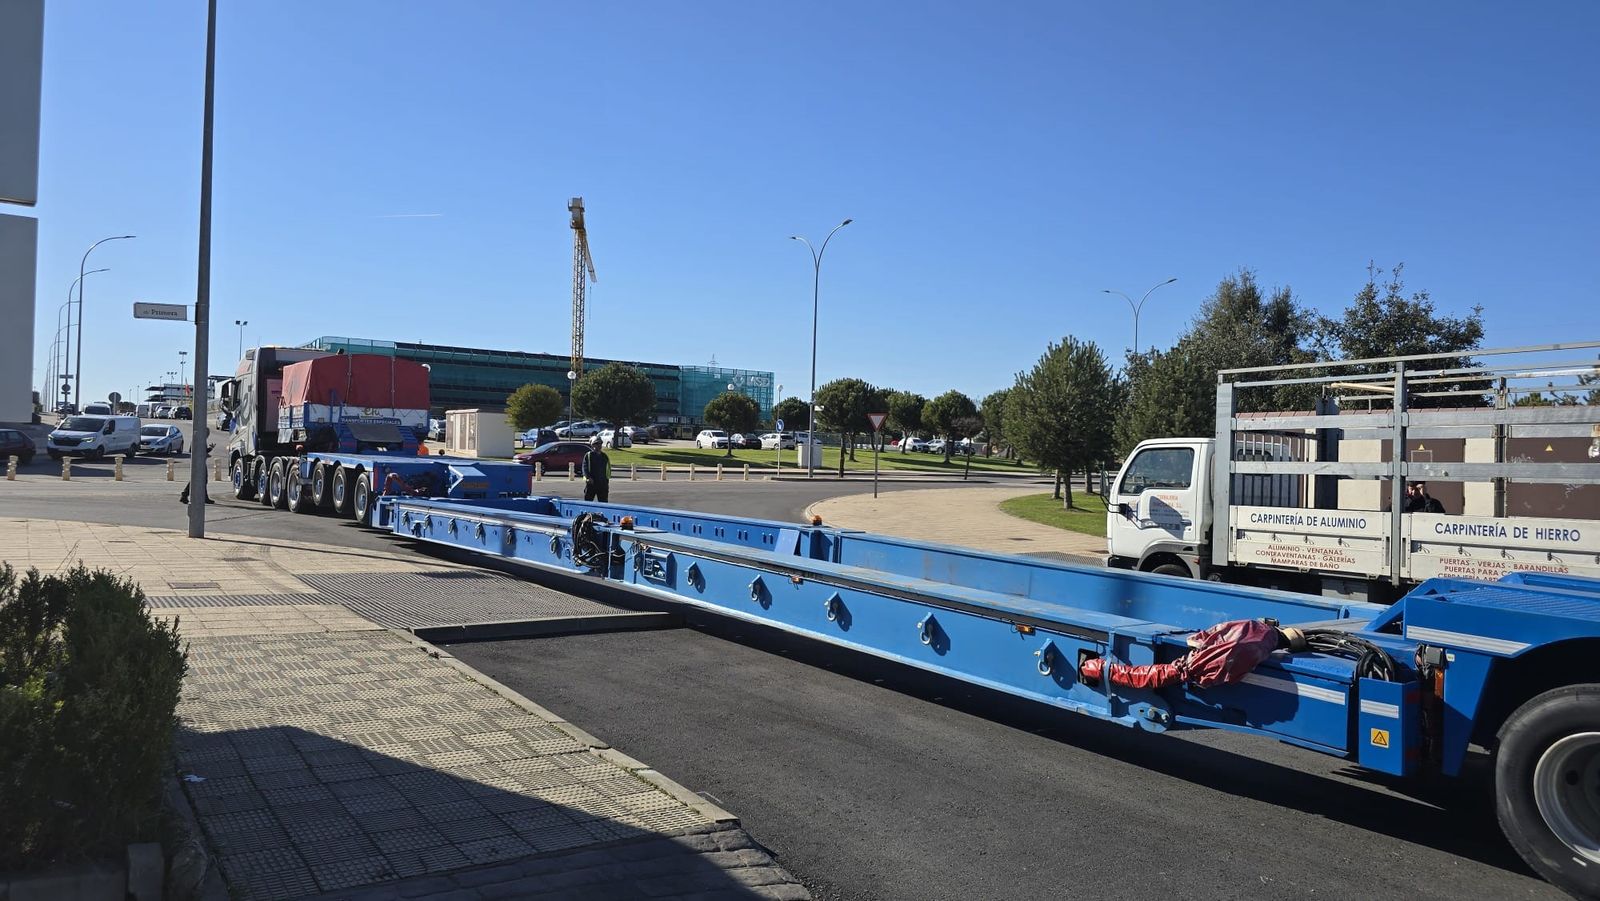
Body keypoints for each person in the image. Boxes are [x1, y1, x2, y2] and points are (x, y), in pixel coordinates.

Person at [582, 435, 611, 503]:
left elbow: (608, 470)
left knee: (603, 503)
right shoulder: (589, 455)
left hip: (602, 484)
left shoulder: (604, 456)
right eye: (596, 444)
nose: (599, 445)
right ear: (592, 445)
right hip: (592, 483)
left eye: (600, 443)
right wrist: (588, 477)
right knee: (588, 503)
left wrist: (606, 482)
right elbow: (584, 467)